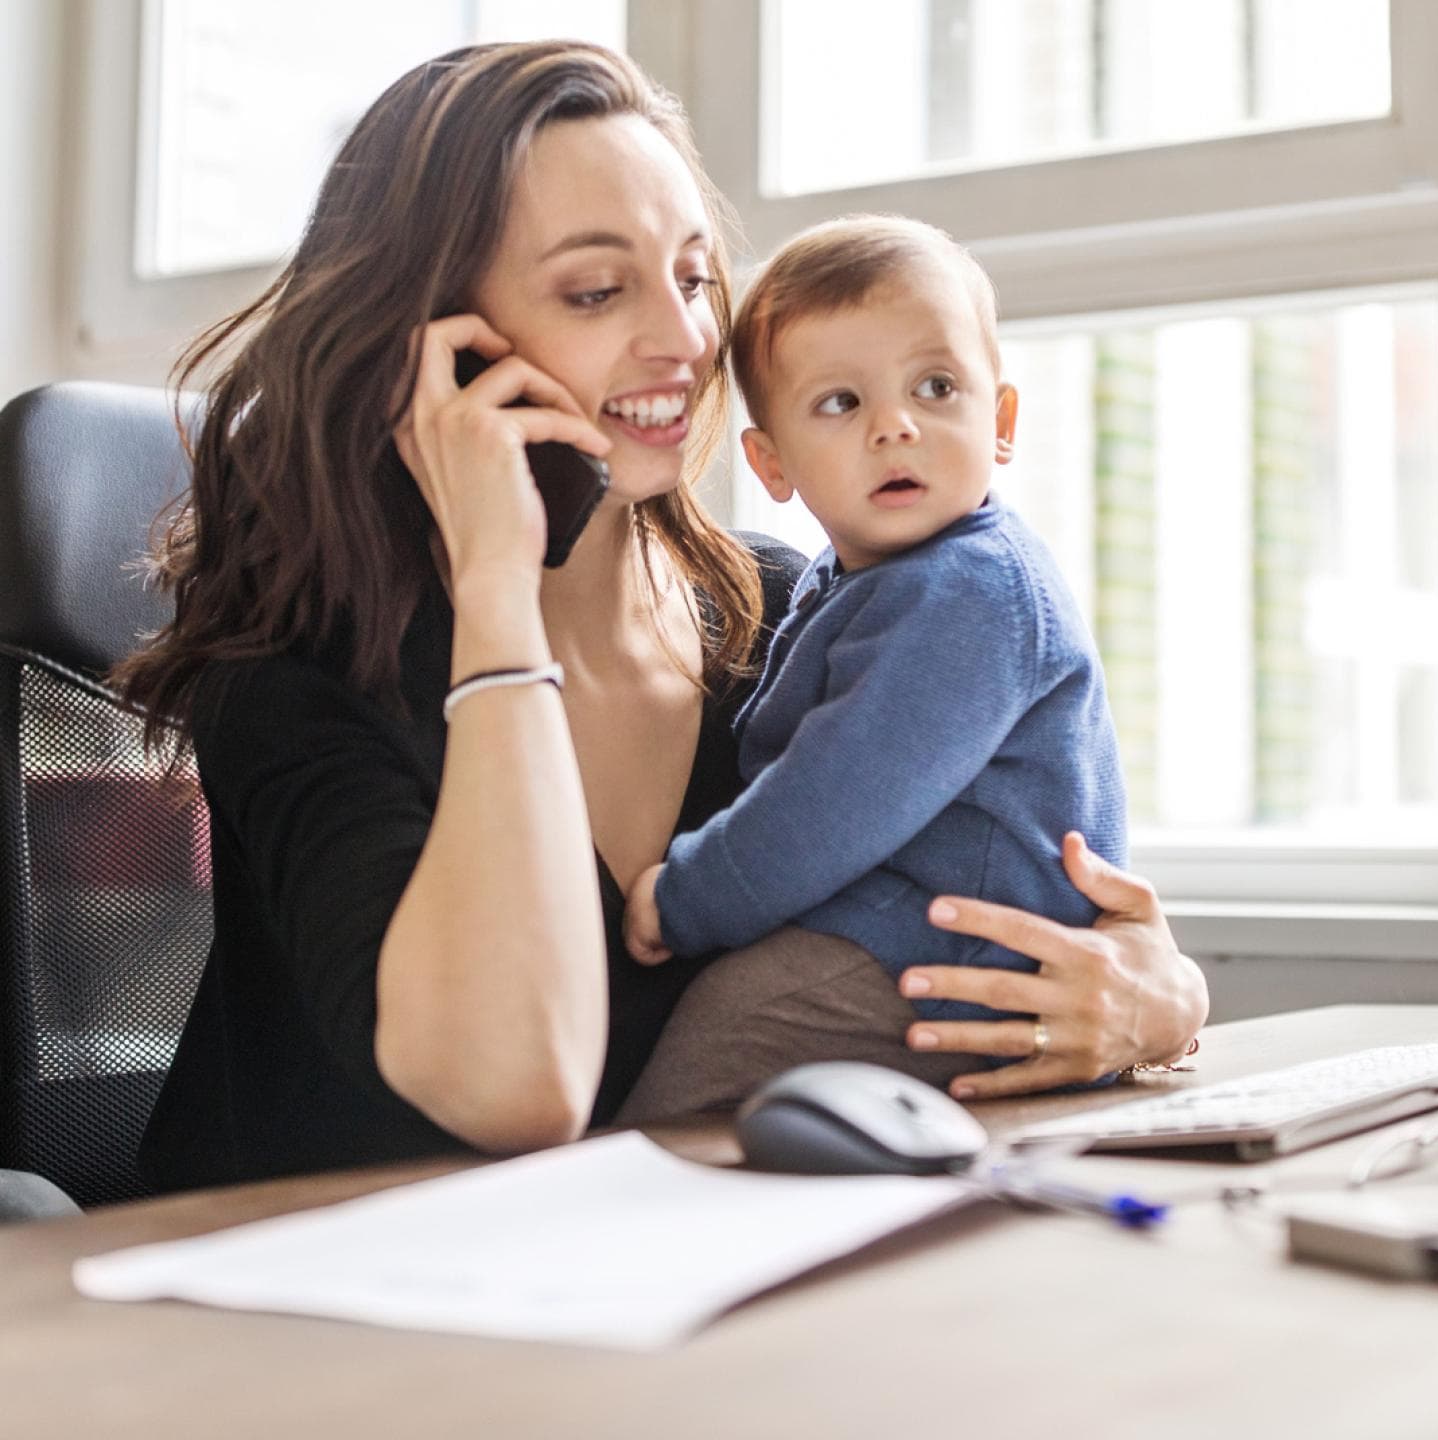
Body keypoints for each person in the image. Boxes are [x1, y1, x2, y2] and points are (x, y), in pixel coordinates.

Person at [114, 40, 1206, 1193]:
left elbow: (1028, 892)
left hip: (675, 1300)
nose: (688, 342)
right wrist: (496, 586)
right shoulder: (298, 673)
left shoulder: (784, 617)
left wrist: (1154, 995)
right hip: (300, 1323)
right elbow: (518, 1089)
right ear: (435, 350)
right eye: (596, 290)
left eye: (691, 277)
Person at [617, 215, 1127, 1113]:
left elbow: (831, 800)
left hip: (955, 954)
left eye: (936, 387)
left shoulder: (969, 592)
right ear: (772, 463)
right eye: (840, 404)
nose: (895, 427)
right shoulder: (853, 578)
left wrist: (685, 900)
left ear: (1001, 420)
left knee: (711, 1052)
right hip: (909, 933)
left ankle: (613, 1213)